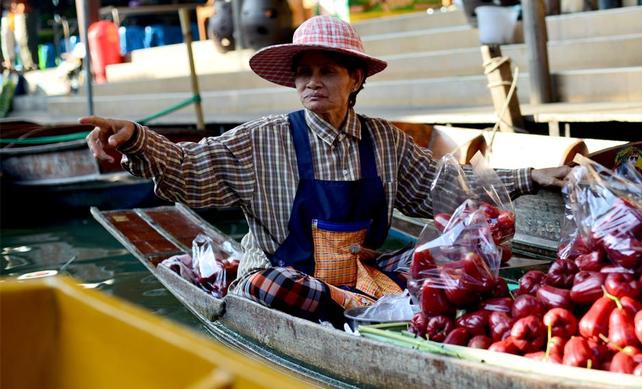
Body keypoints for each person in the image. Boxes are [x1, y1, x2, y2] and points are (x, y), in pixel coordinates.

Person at [83, 16, 569, 325]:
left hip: (363, 278)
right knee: (270, 285)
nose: (313, 82)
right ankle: (382, 314)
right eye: (304, 72)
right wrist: (137, 139)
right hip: (290, 280)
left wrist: (529, 177)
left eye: (328, 71)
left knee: (466, 252)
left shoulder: (384, 140)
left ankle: (376, 309)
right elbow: (189, 170)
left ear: (355, 79)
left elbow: (447, 188)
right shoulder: (264, 137)